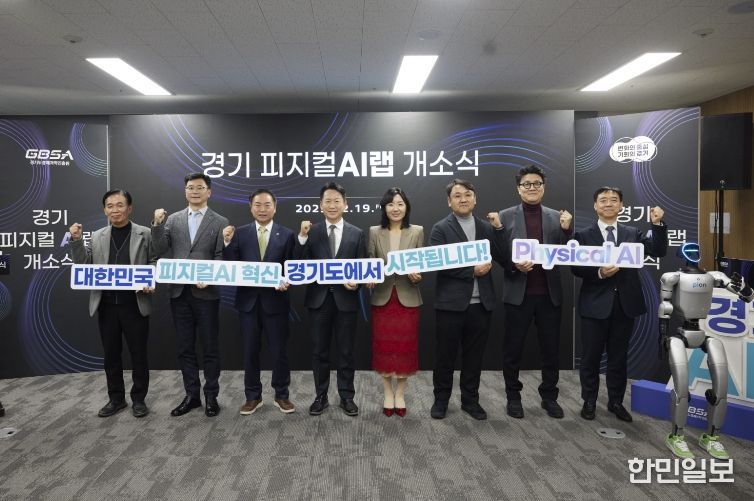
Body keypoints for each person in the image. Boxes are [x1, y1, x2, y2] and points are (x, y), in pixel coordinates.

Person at [572, 186, 667, 422]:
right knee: (591, 357)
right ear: (595, 205)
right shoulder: (583, 235)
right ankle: (589, 401)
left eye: (614, 200)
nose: (608, 203)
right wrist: (599, 272)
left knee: (618, 357)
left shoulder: (632, 232)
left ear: (621, 206)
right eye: (603, 200)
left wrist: (657, 224)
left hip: (625, 306)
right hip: (594, 305)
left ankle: (615, 402)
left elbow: (658, 250)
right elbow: (575, 267)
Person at [488, 165, 572, 420]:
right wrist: (515, 265)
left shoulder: (557, 217)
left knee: (551, 350)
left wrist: (567, 231)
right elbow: (499, 254)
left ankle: (549, 397)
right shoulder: (504, 216)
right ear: (519, 188)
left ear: (543, 187)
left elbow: (567, 254)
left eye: (537, 183)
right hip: (518, 294)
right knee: (512, 350)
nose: (532, 187)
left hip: (549, 294)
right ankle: (513, 397)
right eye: (527, 184)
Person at [69, 189, 155, 418]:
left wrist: (150, 279)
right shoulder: (98, 235)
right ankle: (116, 399)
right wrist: (76, 240)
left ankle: (139, 399)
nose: (115, 210)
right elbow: (84, 264)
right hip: (106, 305)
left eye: (120, 205)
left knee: (138, 355)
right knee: (111, 355)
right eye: (110, 206)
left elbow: (155, 260)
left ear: (129, 208)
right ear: (104, 210)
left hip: (135, 304)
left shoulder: (145, 233)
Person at [152, 173, 229, 418]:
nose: (194, 191)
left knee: (210, 347)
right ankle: (192, 395)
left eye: (200, 187)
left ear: (209, 192)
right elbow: (159, 249)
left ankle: (211, 396)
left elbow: (220, 256)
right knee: (185, 347)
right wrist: (157, 225)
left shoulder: (220, 221)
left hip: (207, 293)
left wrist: (211, 277)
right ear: (185, 191)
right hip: (179, 292)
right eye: (190, 187)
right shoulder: (172, 219)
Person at [429, 179, 508, 420]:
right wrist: (470, 271)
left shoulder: (486, 227)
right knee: (445, 356)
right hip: (450, 305)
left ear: (475, 199)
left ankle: (470, 400)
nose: (463, 199)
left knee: (474, 357)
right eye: (457, 195)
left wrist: (499, 229)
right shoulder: (440, 228)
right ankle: (441, 400)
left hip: (481, 304)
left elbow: (505, 258)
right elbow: (438, 263)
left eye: (467, 194)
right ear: (449, 201)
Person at [222, 189, 296, 415]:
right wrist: (227, 243)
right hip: (248, 303)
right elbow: (230, 266)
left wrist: (287, 281)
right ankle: (253, 396)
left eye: (267, 205)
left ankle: (281, 395)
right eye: (257, 205)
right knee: (250, 351)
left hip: (276, 302)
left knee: (279, 351)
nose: (262, 209)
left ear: (275, 207)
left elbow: (292, 267)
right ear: (251, 207)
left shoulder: (287, 234)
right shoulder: (239, 233)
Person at [295, 182, 366, 417]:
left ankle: (347, 396)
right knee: (319, 351)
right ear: (320, 205)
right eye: (328, 201)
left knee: (346, 351)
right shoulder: (311, 232)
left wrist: (357, 282)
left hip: (346, 300)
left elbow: (362, 267)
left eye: (337, 201)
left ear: (345, 204)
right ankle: (321, 396)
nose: (332, 205)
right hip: (319, 300)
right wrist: (302, 238)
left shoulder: (357, 233)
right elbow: (299, 264)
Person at [367, 187, 424, 417]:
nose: (395, 208)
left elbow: (422, 263)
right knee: (384, 347)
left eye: (400, 204)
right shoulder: (374, 232)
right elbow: (370, 261)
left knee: (404, 349)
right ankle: (387, 393)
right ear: (384, 208)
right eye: (390, 204)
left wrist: (417, 275)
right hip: (382, 298)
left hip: (407, 298)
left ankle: (400, 393)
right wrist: (369, 276)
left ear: (406, 207)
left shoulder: (417, 231)